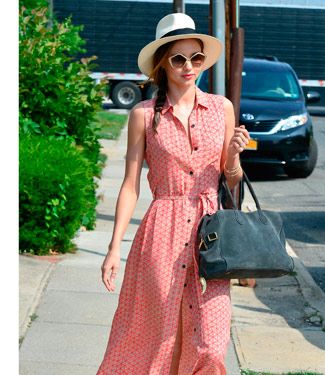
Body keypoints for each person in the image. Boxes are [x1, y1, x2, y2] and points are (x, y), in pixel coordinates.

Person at [97, 13, 250, 375]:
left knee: (211, 346)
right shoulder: (144, 115)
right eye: (179, 58)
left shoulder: (221, 108)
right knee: (157, 339)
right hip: (161, 234)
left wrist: (234, 157)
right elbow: (131, 184)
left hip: (212, 235)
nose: (189, 66)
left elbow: (231, 183)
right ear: (162, 63)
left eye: (196, 58)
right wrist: (114, 247)